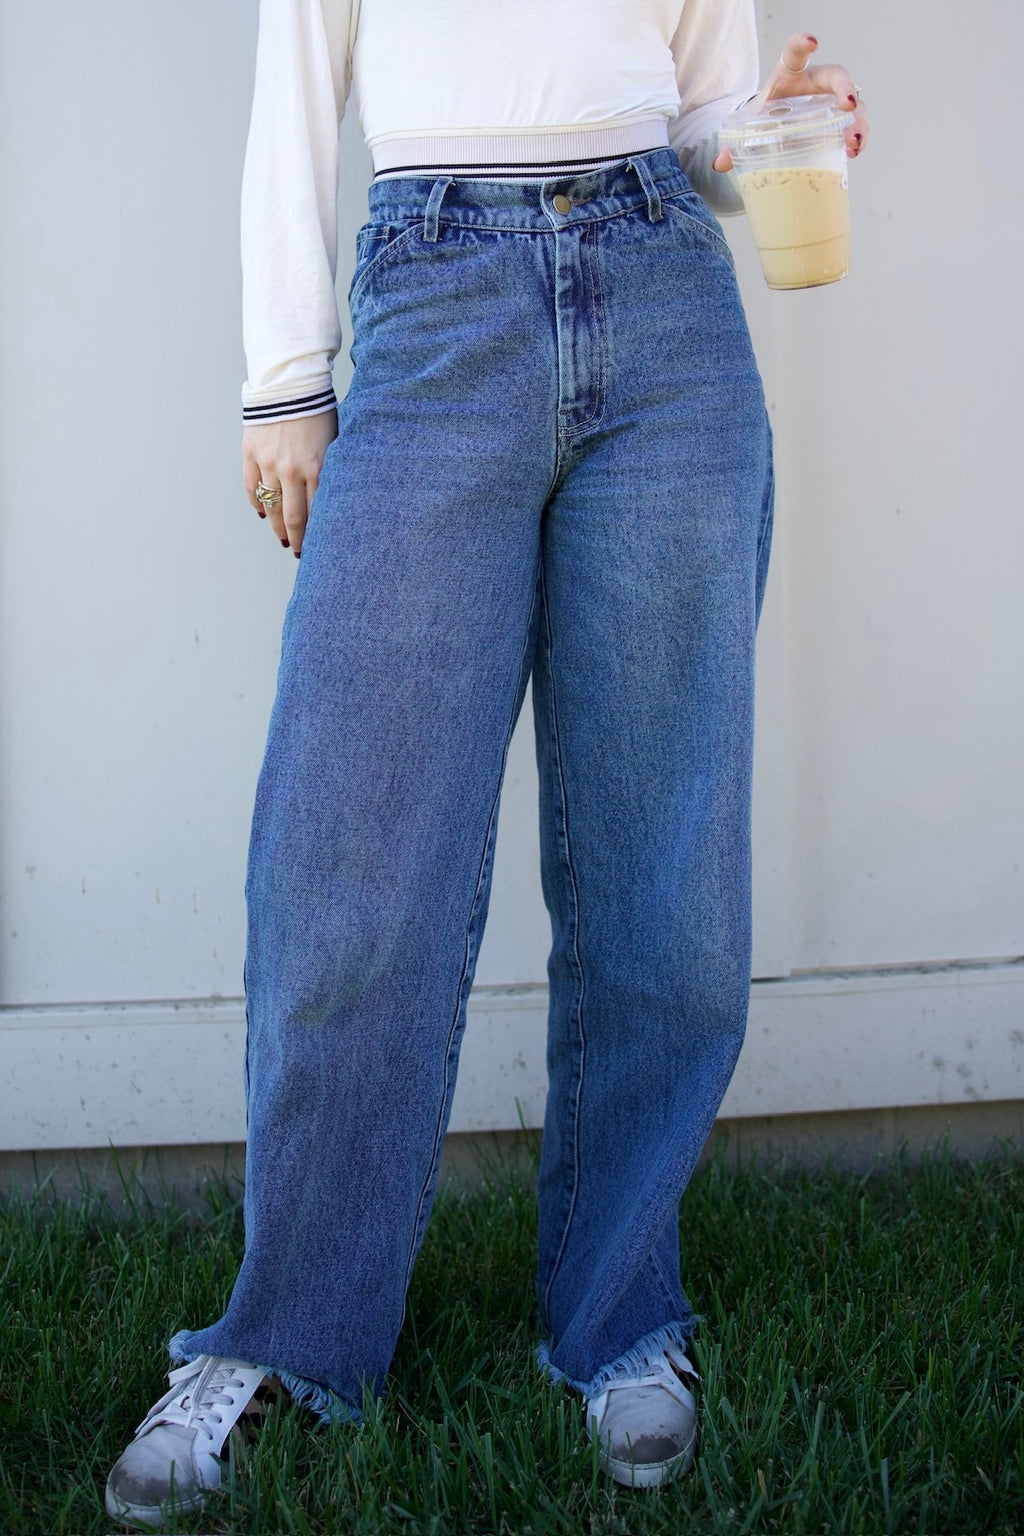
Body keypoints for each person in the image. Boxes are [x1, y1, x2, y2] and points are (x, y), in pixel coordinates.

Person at [105, 1, 869, 1525]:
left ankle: (623, 1320)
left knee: (667, 873)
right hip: (434, 296)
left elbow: (707, 115)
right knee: (353, 875)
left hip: (667, 309)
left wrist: (772, 120)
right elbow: (295, 95)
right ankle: (286, 1339)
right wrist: (286, 375)